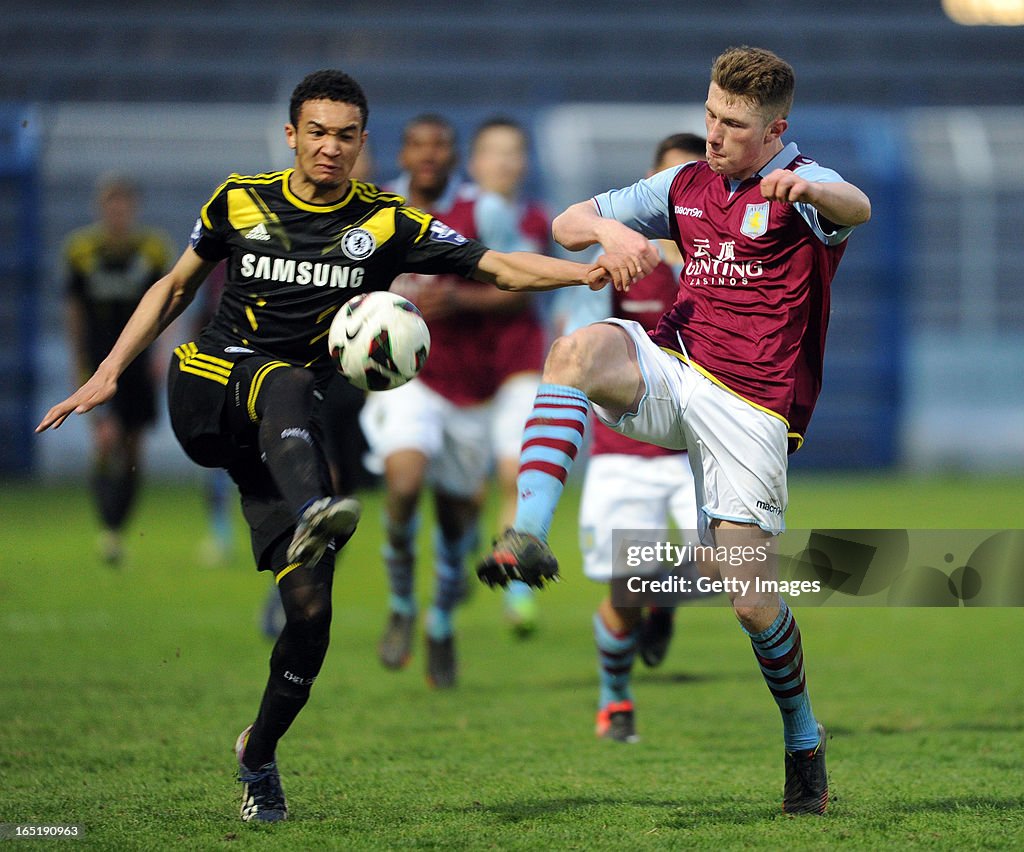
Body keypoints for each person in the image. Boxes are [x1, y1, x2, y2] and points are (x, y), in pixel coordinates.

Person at [37, 69, 610, 825]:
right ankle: (318, 507)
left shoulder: (387, 220)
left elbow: (495, 266)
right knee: (286, 381)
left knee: (310, 619)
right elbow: (174, 287)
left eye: (345, 135)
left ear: (362, 142)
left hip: (283, 440)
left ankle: (259, 756)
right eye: (317, 132)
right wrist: (107, 373)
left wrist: (587, 270)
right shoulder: (239, 198)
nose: (330, 148)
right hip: (209, 386)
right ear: (291, 135)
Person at [477, 46, 871, 815]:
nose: (714, 135)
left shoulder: (805, 190)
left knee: (751, 603)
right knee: (575, 351)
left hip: (752, 411)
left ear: (776, 128)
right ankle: (526, 531)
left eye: (733, 125)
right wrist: (609, 233)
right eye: (710, 116)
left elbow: (856, 206)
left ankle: (802, 736)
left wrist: (812, 187)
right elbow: (565, 223)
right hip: (674, 367)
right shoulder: (686, 183)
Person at [364, 115, 548, 687]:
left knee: (455, 523)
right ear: (404, 152)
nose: (428, 155)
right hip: (414, 377)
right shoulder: (373, 211)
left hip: (478, 386)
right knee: (402, 481)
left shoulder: (485, 211)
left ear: (454, 157)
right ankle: (400, 603)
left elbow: (518, 283)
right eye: (417, 144)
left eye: (440, 145)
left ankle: (440, 618)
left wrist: (457, 298)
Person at [556, 133, 708, 744]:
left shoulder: (728, 264)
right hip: (626, 452)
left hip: (700, 447)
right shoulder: (620, 257)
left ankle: (665, 598)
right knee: (626, 587)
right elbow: (580, 345)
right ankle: (614, 698)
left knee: (742, 567)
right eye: (671, 183)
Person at [62, 173, 173, 565]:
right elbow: (74, 309)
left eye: (123, 203)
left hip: (139, 364)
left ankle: (119, 526)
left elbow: (168, 300)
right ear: (101, 208)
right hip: (97, 361)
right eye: (111, 204)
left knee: (133, 447)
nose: (117, 211)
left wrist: (162, 351)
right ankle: (108, 525)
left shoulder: (153, 249)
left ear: (133, 208)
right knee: (107, 439)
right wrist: (78, 361)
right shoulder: (81, 250)